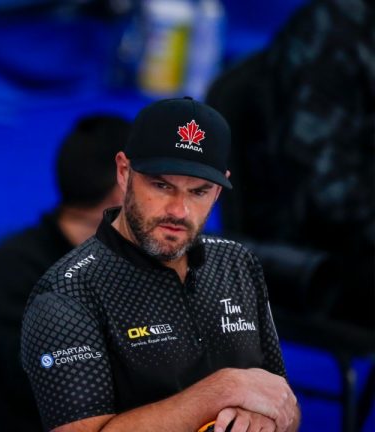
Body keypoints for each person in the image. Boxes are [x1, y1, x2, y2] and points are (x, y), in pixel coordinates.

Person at [20, 97, 300, 432]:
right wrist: (224, 390)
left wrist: (264, 418)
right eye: (161, 185)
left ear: (219, 190)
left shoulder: (237, 263)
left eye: (199, 191)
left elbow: (285, 405)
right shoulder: (66, 296)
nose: (179, 211)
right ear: (124, 172)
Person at [0, 115, 130, 431]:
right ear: (121, 190)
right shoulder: (14, 274)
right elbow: (59, 392)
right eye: (157, 182)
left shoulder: (126, 260)